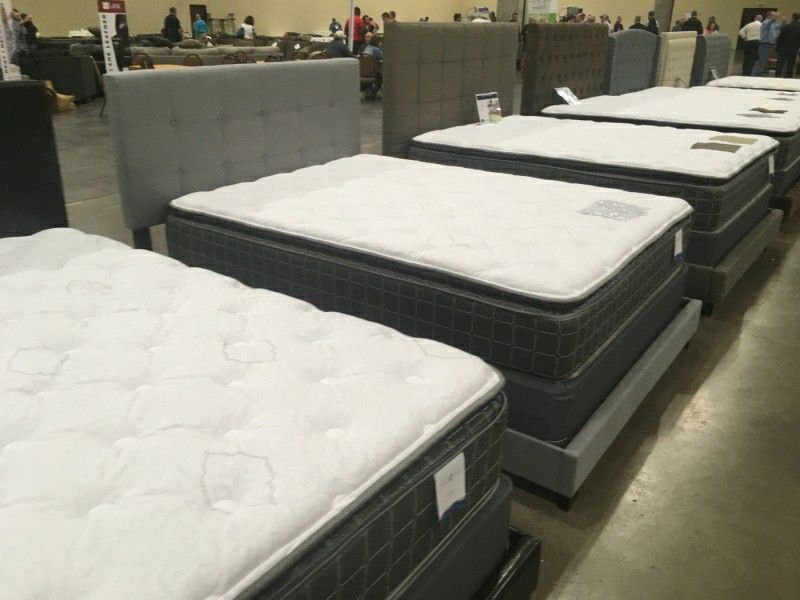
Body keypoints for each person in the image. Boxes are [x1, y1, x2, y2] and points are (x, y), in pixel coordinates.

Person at [753, 11, 781, 76]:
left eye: (774, 15)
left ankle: (760, 73)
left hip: (770, 44)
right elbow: (768, 25)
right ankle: (755, 74)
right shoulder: (765, 22)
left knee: (765, 60)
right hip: (764, 44)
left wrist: (784, 22)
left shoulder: (773, 24)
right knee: (761, 59)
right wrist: (775, 17)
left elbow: (779, 26)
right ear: (769, 16)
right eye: (773, 15)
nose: (774, 17)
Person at [775, 13, 800, 78]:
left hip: (783, 48)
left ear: (792, 18)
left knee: (780, 63)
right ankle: (789, 77)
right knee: (791, 64)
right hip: (793, 48)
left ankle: (777, 76)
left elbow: (780, 38)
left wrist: (777, 48)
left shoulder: (786, 26)